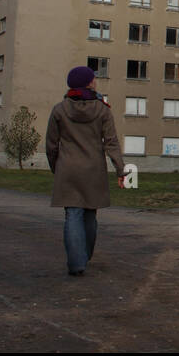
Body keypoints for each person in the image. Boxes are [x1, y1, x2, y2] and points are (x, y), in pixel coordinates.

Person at [45, 66, 127, 276]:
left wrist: (56, 167)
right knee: (90, 214)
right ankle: (85, 255)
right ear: (90, 83)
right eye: (94, 79)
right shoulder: (103, 109)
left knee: (72, 214)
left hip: (68, 169)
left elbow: (51, 145)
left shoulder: (59, 109)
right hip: (93, 169)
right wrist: (120, 170)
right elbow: (111, 143)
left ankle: (76, 262)